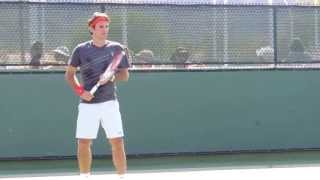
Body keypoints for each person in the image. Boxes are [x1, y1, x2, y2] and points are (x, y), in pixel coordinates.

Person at [65, 12, 130, 178]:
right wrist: (81, 92)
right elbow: (69, 74)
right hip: (87, 105)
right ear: (91, 28)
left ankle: (122, 177)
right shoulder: (80, 50)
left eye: (107, 26)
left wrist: (111, 76)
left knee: (117, 142)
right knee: (84, 142)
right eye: (101, 26)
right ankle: (85, 176)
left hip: (110, 103)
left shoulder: (117, 49)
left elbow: (125, 75)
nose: (105, 30)